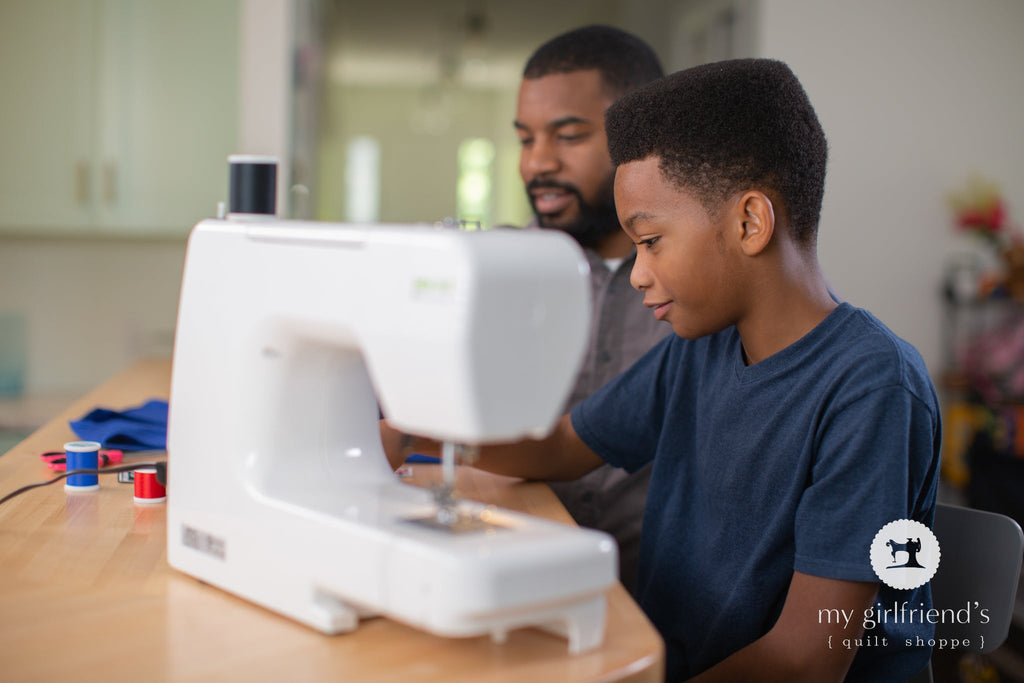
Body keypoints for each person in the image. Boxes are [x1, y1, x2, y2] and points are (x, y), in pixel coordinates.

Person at [385, 58, 941, 681]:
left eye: (649, 242)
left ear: (750, 223)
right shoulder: (700, 346)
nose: (640, 273)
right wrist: (416, 431)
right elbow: (567, 444)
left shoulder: (871, 386)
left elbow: (803, 659)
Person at [511, 25, 671, 596]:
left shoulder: (700, 292)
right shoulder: (495, 274)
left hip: (663, 610)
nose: (538, 163)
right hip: (519, 584)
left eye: (568, 136)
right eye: (525, 140)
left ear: (641, 137)